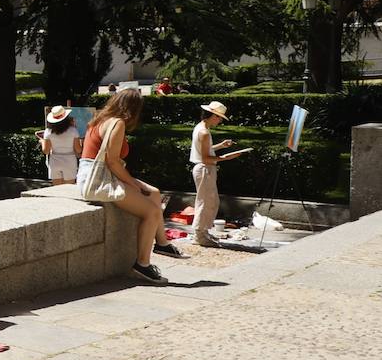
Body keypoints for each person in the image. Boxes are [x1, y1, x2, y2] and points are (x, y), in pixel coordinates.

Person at [77, 88, 182, 284]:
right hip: (100, 180)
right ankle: (142, 265)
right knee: (151, 211)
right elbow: (113, 162)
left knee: (155, 193)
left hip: (90, 175)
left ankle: (162, 242)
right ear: (133, 109)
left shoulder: (99, 118)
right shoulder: (117, 123)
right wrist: (132, 183)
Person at [190, 100, 239, 246]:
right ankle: (199, 234)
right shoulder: (204, 131)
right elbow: (205, 157)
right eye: (218, 117)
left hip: (205, 168)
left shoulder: (201, 128)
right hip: (205, 168)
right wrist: (225, 158)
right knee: (205, 202)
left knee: (210, 201)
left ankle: (203, 232)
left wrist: (221, 146)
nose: (219, 120)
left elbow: (206, 150)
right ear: (212, 116)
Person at [39, 106, 81, 185]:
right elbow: (78, 150)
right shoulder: (73, 131)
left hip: (55, 160)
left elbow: (46, 151)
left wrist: (42, 142)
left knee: (57, 190)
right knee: (69, 189)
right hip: (70, 160)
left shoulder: (48, 132)